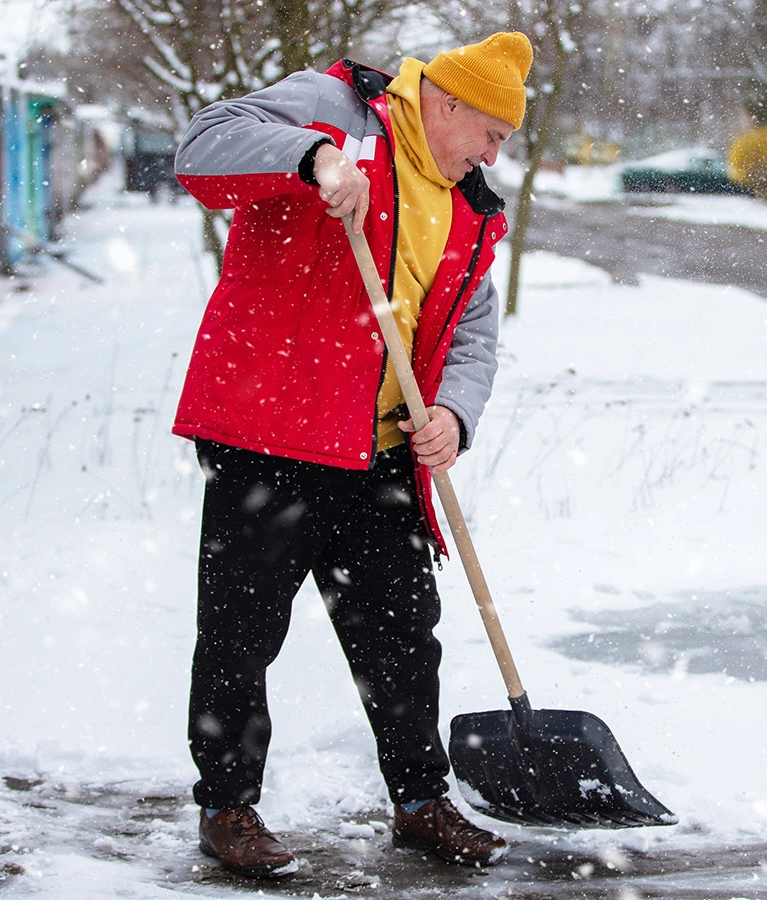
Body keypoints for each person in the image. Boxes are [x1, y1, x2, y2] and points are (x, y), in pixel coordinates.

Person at [169, 33, 532, 878]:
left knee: (404, 637)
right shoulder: (335, 107)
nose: (492, 153)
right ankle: (227, 809)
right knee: (240, 634)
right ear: (446, 104)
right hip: (271, 436)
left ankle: (419, 802)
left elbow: (474, 331)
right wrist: (310, 159)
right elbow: (201, 147)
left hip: (381, 457)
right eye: (491, 133)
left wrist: (452, 413)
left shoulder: (468, 204)